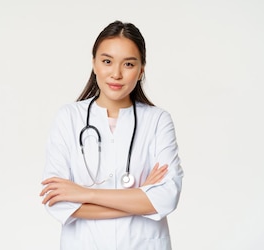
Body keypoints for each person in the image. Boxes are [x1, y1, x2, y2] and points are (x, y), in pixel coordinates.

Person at [39, 20, 184, 250]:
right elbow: (57, 202)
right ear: (94, 64)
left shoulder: (157, 120)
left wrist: (84, 194)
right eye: (107, 61)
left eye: (128, 64)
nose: (116, 73)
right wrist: (140, 198)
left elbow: (166, 199)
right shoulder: (68, 118)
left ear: (141, 70)